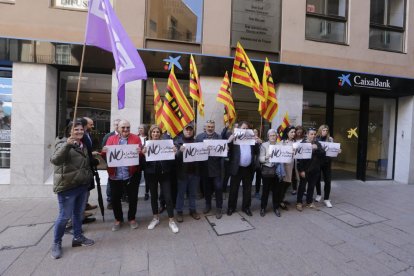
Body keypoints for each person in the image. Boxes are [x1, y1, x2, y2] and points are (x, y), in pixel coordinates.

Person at [50, 120, 95, 259]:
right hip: (68, 187)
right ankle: (56, 243)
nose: (80, 132)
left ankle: (78, 237)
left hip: (81, 185)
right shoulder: (62, 143)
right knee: (64, 216)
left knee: (78, 214)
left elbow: (83, 163)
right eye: (76, 130)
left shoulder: (82, 144)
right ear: (69, 131)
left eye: (81, 129)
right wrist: (67, 145)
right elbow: (55, 160)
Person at [101, 119, 142, 231]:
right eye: (123, 127)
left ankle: (132, 218)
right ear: (118, 128)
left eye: (128, 127)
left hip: (131, 174)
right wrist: (103, 151)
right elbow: (105, 156)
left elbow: (141, 156)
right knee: (115, 199)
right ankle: (118, 219)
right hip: (115, 175)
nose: (125, 129)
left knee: (133, 198)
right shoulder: (110, 139)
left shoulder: (136, 138)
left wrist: (140, 152)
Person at [142, 125, 179, 233]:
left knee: (168, 197)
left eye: (157, 132)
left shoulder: (166, 144)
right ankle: (155, 218)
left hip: (164, 174)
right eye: (153, 132)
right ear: (150, 133)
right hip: (151, 174)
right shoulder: (146, 145)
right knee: (153, 196)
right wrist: (143, 155)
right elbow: (143, 165)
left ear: (160, 133)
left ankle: (171, 220)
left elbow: (172, 162)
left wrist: (173, 153)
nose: (156, 134)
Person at [227, 121, 261, 216]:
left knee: (247, 189)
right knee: (234, 189)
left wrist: (258, 142)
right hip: (236, 168)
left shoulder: (251, 141)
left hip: (248, 169)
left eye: (247, 129)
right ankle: (231, 207)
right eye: (243, 128)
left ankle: (246, 207)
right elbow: (226, 149)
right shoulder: (234, 140)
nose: (245, 130)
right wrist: (229, 140)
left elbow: (257, 151)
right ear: (239, 129)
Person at [196, 119, 224, 219]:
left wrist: (225, 150)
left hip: (216, 168)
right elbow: (195, 151)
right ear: (205, 127)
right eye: (209, 126)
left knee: (218, 188)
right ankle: (208, 205)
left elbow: (223, 152)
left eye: (212, 127)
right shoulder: (199, 137)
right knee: (206, 189)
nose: (210, 128)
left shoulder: (219, 137)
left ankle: (219, 208)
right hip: (204, 168)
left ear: (214, 127)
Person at [175, 122, 201, 222]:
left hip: (195, 173)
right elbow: (174, 158)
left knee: (193, 193)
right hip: (182, 173)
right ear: (183, 130)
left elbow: (201, 156)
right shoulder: (177, 142)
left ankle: (193, 210)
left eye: (190, 129)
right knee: (181, 194)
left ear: (193, 131)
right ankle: (179, 212)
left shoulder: (197, 142)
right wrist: (179, 151)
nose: (188, 131)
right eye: (187, 129)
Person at [296, 127, 325, 211]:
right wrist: (301, 170)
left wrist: (316, 148)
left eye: (314, 134)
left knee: (311, 187)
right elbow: (298, 159)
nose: (313, 136)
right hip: (305, 170)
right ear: (307, 134)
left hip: (315, 170)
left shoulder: (317, 143)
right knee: (302, 187)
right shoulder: (302, 144)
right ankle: (299, 202)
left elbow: (323, 153)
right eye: (311, 134)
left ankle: (309, 202)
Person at [259, 129, 283, 217]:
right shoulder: (264, 145)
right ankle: (263, 208)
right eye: (271, 135)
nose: (273, 137)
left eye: (274, 135)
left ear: (277, 136)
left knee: (276, 191)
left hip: (277, 171)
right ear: (268, 136)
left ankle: (276, 208)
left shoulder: (280, 145)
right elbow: (260, 159)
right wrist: (267, 156)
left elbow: (284, 156)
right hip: (267, 170)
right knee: (265, 191)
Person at [101, 119, 121, 210]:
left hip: (123, 165)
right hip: (112, 165)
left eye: (119, 124)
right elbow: (103, 151)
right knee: (111, 182)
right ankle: (110, 201)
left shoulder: (126, 136)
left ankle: (121, 198)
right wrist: (109, 162)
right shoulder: (108, 136)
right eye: (116, 124)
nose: (117, 126)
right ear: (114, 125)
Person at [315, 124, 335, 208]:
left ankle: (326, 199)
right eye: (324, 130)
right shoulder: (316, 139)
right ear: (320, 130)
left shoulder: (330, 139)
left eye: (326, 130)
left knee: (328, 180)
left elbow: (334, 150)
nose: (325, 132)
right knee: (317, 179)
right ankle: (319, 194)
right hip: (318, 162)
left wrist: (337, 150)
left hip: (327, 162)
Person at [280, 125, 296, 210]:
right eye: (291, 132)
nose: (293, 133)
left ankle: (282, 198)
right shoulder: (282, 142)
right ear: (287, 133)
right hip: (285, 167)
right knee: (284, 184)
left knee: (288, 183)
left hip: (293, 167)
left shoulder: (295, 142)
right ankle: (280, 200)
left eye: (294, 132)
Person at [138, 124, 150, 201]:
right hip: (138, 160)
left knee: (147, 177)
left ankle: (146, 192)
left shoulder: (149, 138)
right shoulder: (136, 137)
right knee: (137, 177)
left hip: (146, 160)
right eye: (139, 128)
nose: (140, 129)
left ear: (145, 129)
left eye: (141, 128)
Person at [291, 125, 305, 195]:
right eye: (298, 130)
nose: (299, 131)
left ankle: (303, 189)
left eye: (300, 130)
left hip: (302, 159)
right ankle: (294, 189)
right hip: (294, 159)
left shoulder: (304, 140)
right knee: (294, 174)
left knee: (302, 174)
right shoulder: (293, 139)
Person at [253, 128, 262, 199]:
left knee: (258, 178)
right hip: (252, 163)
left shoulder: (260, 141)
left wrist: (261, 143)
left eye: (256, 132)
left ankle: (257, 192)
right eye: (253, 132)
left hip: (259, 163)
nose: (255, 133)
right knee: (250, 178)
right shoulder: (249, 141)